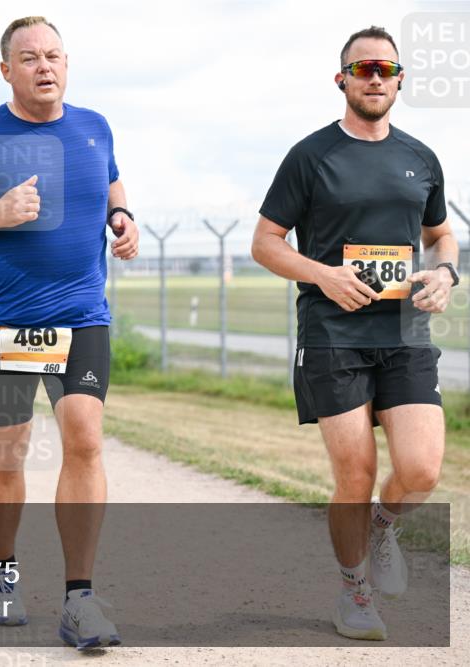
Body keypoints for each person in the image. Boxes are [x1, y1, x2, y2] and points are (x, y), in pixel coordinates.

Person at [0, 16, 138, 649]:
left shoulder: (94, 127)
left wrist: (120, 214)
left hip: (81, 312)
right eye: (30, 57)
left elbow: (112, 177)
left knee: (85, 438)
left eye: (54, 56)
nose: (45, 66)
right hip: (4, 317)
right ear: (6, 69)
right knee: (10, 449)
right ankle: (2, 568)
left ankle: (80, 599)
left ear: (66, 63)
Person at [251, 26, 454, 642]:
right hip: (332, 329)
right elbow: (264, 242)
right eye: (362, 68)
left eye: (385, 69)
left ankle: (383, 525)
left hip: (404, 330)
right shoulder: (311, 155)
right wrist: (323, 276)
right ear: (341, 79)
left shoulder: (421, 158)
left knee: (420, 470)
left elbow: (440, 234)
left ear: (399, 81)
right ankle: (354, 593)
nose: (374, 77)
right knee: (355, 473)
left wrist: (446, 272)